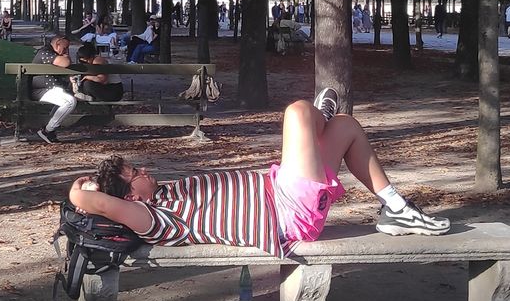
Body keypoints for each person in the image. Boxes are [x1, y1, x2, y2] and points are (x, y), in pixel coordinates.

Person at [68, 88, 451, 253]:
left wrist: (88, 184)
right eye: (136, 172)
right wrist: (78, 193)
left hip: (283, 188)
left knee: (347, 128)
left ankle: (397, 208)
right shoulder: (152, 218)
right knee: (298, 113)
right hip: (286, 213)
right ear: (132, 197)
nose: (145, 170)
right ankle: (317, 119)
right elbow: (96, 203)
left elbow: (101, 197)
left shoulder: (164, 193)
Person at [32, 34, 77, 144]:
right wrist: (66, 56)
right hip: (40, 90)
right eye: (65, 48)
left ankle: (50, 130)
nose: (66, 51)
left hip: (51, 89)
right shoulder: (45, 52)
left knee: (67, 99)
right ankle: (47, 130)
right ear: (57, 44)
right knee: (70, 102)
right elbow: (65, 63)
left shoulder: (53, 53)